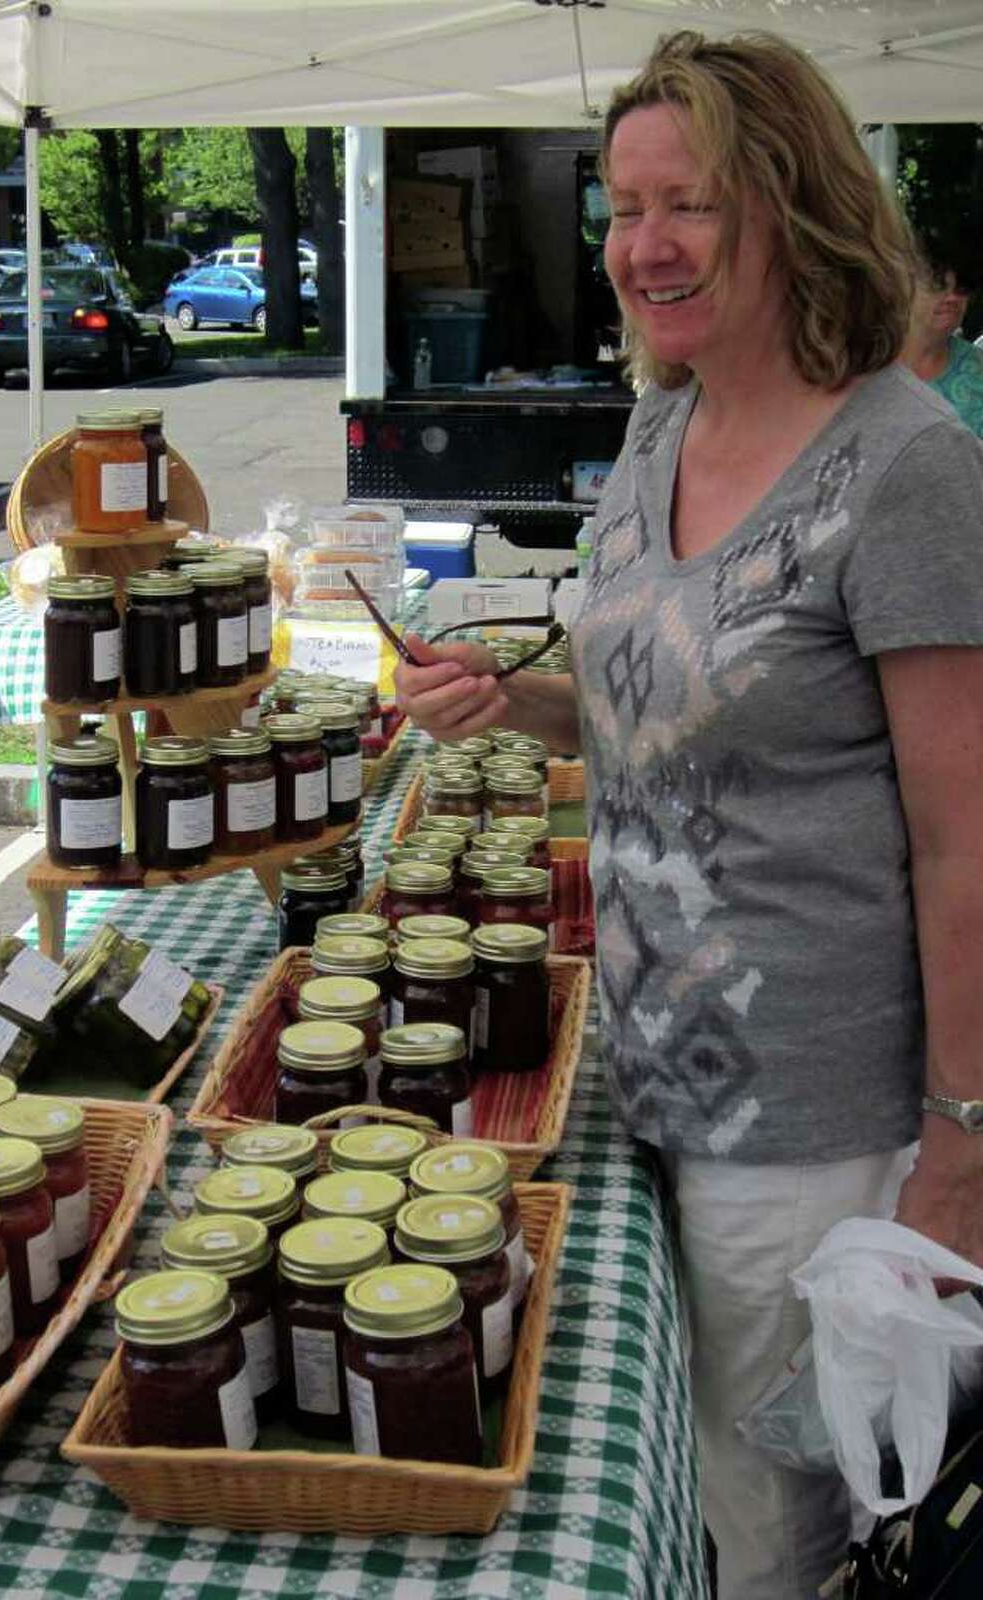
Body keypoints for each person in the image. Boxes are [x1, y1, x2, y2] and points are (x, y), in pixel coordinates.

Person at [395, 29, 983, 1600]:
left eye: (693, 204)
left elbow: (967, 843)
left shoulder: (905, 468)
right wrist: (505, 697)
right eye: (623, 204)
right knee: (698, 1486)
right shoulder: (662, 424)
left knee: (780, 1528)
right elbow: (652, 706)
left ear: (796, 207)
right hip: (637, 1074)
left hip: (811, 1120)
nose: (643, 244)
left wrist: (963, 1145)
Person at [902, 239, 983, 435]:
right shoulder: (866, 365)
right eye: (937, 283)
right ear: (904, 286)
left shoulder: (979, 369)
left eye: (962, 286)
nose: (952, 297)